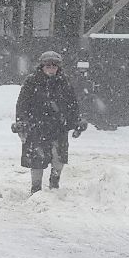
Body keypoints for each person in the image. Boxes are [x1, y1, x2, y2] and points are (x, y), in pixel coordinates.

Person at [12, 51, 86, 192]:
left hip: (59, 126)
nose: (51, 69)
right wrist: (22, 122)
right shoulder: (31, 82)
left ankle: (54, 181)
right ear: (42, 66)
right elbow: (22, 104)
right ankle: (36, 187)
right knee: (37, 159)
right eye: (48, 66)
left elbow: (72, 104)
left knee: (59, 158)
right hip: (36, 126)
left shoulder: (65, 82)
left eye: (54, 66)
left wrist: (76, 121)